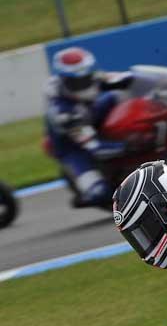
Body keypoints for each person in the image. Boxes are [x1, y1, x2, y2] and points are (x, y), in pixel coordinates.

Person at [45, 46, 131, 206]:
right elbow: (93, 146)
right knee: (99, 192)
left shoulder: (93, 78)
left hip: (91, 114)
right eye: (76, 81)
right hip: (72, 145)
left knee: (119, 96)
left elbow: (120, 79)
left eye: (86, 77)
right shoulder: (62, 111)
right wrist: (128, 145)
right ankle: (89, 192)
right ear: (64, 80)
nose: (83, 84)